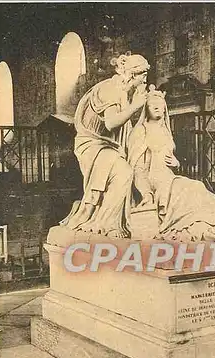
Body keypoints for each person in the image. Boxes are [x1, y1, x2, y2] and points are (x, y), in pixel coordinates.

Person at [127, 85, 215, 242]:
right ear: (146, 109)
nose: (158, 109)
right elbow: (137, 169)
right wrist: (146, 194)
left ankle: (208, 228)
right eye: (153, 106)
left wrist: (176, 163)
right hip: (153, 181)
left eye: (161, 106)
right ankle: (201, 230)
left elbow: (170, 159)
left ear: (165, 109)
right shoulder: (140, 131)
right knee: (187, 191)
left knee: (198, 188)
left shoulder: (166, 131)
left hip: (168, 177)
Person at [60, 52, 150, 238]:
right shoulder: (110, 89)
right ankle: (92, 217)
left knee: (123, 174)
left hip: (108, 146)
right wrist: (135, 106)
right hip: (93, 144)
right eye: (143, 75)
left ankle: (104, 222)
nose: (144, 80)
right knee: (123, 172)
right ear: (133, 74)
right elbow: (110, 123)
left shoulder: (124, 93)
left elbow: (126, 129)